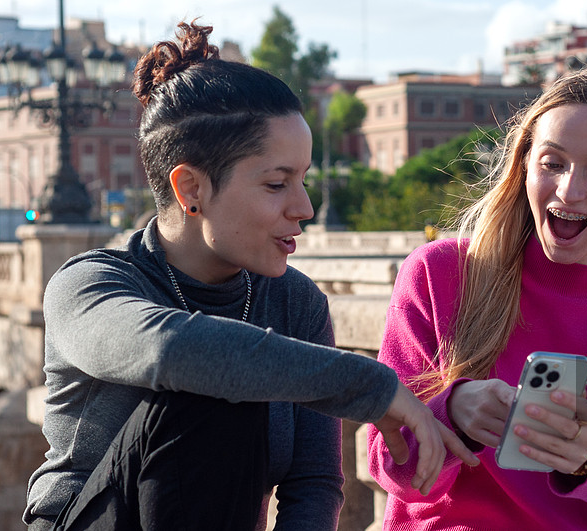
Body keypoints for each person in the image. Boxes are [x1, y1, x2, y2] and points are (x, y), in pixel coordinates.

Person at [24, 21, 477, 531]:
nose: (304, 207)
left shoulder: (296, 302)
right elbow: (171, 350)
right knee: (215, 391)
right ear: (191, 187)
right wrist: (371, 386)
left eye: (303, 180)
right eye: (277, 183)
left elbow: (313, 482)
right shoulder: (89, 286)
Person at [367, 65, 587, 530]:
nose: (569, 189)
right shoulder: (436, 274)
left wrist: (586, 453)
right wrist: (451, 412)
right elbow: (390, 465)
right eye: (552, 163)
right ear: (524, 164)